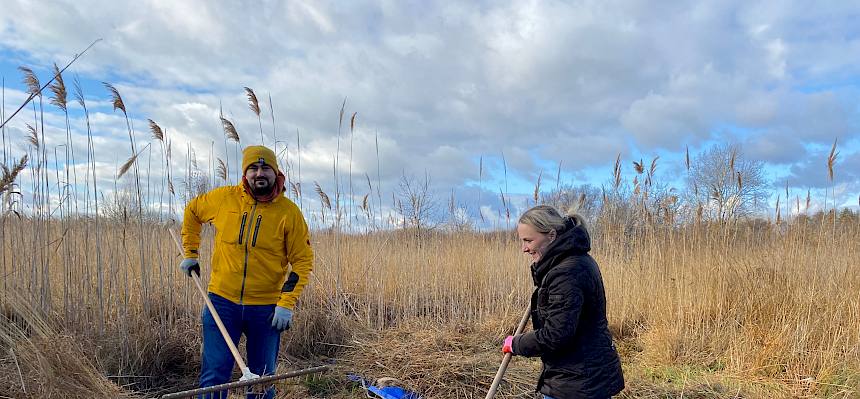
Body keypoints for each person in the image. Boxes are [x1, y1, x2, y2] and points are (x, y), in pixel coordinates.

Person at [179, 145, 314, 399]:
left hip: (266, 309)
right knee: (214, 376)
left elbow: (302, 261)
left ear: (276, 173)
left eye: (265, 168)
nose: (259, 173)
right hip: (221, 302)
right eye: (253, 168)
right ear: (245, 173)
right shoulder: (224, 198)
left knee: (262, 379)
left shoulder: (289, 213)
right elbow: (193, 211)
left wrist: (286, 303)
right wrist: (190, 253)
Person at [503, 205, 624, 399]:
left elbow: (556, 335)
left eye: (528, 240)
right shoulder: (575, 261)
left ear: (551, 235)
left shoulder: (566, 273)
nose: (524, 248)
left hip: (577, 382)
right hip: (583, 376)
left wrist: (516, 344)